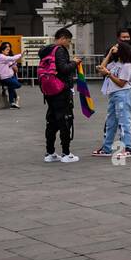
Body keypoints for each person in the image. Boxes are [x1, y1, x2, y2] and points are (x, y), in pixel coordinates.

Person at [38, 29, 79, 163]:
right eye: (68, 40)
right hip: (61, 90)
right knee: (65, 120)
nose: (69, 43)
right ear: (62, 38)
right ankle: (66, 153)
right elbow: (64, 69)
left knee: (51, 121)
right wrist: (75, 63)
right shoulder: (59, 50)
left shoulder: (46, 50)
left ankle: (50, 153)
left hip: (49, 91)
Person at [94, 41, 131, 157]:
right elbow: (101, 68)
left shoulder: (127, 65)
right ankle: (106, 148)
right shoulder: (115, 63)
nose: (114, 48)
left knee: (124, 122)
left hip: (123, 94)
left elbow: (121, 83)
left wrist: (108, 74)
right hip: (113, 94)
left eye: (117, 47)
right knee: (110, 122)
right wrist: (108, 55)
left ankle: (127, 148)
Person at [0, 42, 23, 109]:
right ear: (2, 50)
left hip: (10, 76)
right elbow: (11, 59)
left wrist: (13, 64)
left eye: (9, 49)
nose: (9, 50)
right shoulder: (1, 56)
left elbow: (12, 63)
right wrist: (21, 55)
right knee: (18, 85)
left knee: (11, 87)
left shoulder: (5, 57)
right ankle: (13, 97)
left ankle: (12, 103)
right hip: (5, 77)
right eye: (7, 49)